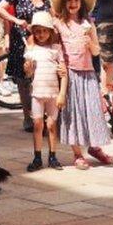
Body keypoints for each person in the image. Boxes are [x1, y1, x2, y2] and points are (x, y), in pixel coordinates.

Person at [51, 0, 113, 169]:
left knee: (92, 111)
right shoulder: (59, 24)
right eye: (69, 1)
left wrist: (90, 43)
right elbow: (56, 49)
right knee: (73, 114)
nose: (72, 4)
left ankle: (94, 146)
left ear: (81, 3)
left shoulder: (88, 24)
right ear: (64, 3)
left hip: (87, 73)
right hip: (70, 74)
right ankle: (77, 153)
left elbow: (96, 52)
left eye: (76, 1)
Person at [0, 0, 51, 131]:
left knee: (40, 77)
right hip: (22, 39)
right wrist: (16, 20)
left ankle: (41, 114)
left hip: (42, 39)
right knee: (24, 79)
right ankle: (28, 115)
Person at [22, 12, 67, 172]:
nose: (41, 34)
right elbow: (28, 73)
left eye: (44, 31)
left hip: (53, 93)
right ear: (34, 32)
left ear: (50, 31)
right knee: (37, 125)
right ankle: (37, 156)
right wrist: (28, 68)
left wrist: (62, 93)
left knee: (52, 126)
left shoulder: (56, 49)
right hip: (37, 93)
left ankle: (53, 156)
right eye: (38, 31)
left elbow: (63, 72)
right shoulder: (31, 49)